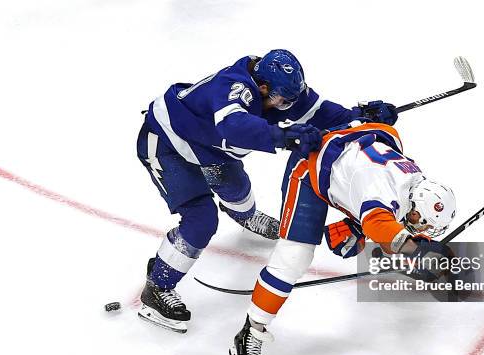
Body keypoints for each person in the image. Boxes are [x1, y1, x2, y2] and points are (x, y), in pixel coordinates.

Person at [136, 49, 399, 332]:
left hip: (211, 150)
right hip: (168, 145)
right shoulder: (234, 87)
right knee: (201, 220)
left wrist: (360, 116)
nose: (287, 106)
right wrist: (283, 136)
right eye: (282, 101)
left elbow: (318, 111)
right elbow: (233, 126)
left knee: (237, 190)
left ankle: (245, 216)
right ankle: (158, 286)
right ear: (262, 88)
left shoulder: (278, 89)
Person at [229, 121, 456, 355]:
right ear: (415, 203)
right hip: (310, 172)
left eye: (426, 227)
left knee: (364, 240)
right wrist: (417, 252)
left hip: (348, 160)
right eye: (421, 221)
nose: (420, 227)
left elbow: (387, 139)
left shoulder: (413, 181)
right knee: (294, 256)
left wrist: (419, 251)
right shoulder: (383, 193)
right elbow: (381, 225)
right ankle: (251, 331)